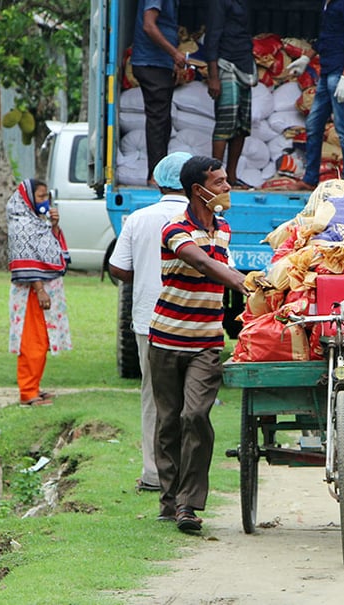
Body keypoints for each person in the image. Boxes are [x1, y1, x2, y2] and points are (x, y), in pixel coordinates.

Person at [148, 155, 248, 532]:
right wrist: (243, 281)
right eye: (220, 183)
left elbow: (218, 268)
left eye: (226, 181)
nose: (227, 188)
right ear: (198, 190)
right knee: (168, 422)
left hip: (206, 343)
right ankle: (169, 500)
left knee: (195, 416)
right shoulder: (174, 230)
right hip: (165, 338)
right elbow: (204, 264)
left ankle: (189, 505)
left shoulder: (224, 230)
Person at [109, 151, 193, 494]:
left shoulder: (139, 219)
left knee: (154, 398)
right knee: (192, 403)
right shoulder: (201, 218)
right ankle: (186, 474)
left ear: (157, 181)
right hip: (194, 321)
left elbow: (117, 268)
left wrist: (145, 272)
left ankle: (154, 474)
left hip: (150, 320)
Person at [7, 179, 72, 407]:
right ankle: (28, 392)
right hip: (32, 293)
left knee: (43, 340)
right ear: (29, 199)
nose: (45, 201)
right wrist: (40, 289)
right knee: (31, 341)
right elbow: (26, 260)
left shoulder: (38, 222)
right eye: (41, 197)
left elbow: (53, 253)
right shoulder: (21, 225)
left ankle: (34, 386)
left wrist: (54, 226)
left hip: (45, 289)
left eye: (47, 197)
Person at [286, 0, 344, 189]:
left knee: (343, 128)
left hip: (340, 72)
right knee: (313, 124)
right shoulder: (328, 3)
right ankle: (311, 179)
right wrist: (306, 57)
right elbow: (327, 37)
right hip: (327, 71)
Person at [132, 0, 187, 185]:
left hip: (158, 63)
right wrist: (175, 54)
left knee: (163, 120)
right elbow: (149, 26)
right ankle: (155, 176)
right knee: (158, 119)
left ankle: (159, 172)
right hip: (151, 62)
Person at [204, 0, 256, 189]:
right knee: (225, 123)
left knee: (242, 125)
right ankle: (215, 178)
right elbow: (212, 36)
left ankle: (231, 177)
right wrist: (213, 76)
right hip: (225, 64)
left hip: (244, 65)